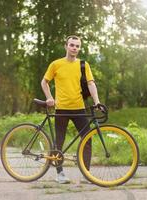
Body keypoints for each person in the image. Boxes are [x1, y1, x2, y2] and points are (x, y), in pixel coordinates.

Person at [41, 35, 101, 184]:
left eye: (77, 46)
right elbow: (44, 82)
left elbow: (91, 83)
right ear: (66, 46)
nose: (74, 48)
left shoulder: (83, 65)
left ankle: (87, 174)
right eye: (72, 45)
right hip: (61, 109)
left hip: (79, 108)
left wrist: (97, 101)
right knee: (59, 142)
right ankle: (59, 174)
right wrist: (49, 98)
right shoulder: (56, 64)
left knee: (87, 139)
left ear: (79, 48)